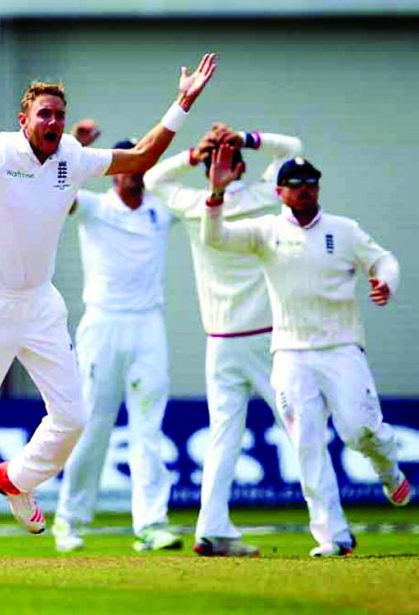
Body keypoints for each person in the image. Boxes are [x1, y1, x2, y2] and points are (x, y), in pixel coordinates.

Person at [0, 48, 217, 559]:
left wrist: (181, 104)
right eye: (45, 114)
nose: (53, 122)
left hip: (40, 306)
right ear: (24, 120)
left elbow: (141, 159)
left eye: (59, 114)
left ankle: (16, 478)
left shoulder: (72, 159)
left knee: (73, 417)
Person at [201, 150, 412, 557]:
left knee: (358, 430)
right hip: (290, 354)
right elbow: (216, 238)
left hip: (341, 347)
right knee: (307, 444)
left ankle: (388, 469)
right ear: (279, 192)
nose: (305, 189)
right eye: (296, 184)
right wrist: (215, 192)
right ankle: (333, 536)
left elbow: (383, 259)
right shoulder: (266, 231)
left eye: (311, 182)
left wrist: (385, 281)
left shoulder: (343, 229)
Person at [144, 124, 342, 556]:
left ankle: (211, 529)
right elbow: (293, 146)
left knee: (224, 437)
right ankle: (332, 532)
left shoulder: (195, 205)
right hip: (269, 341)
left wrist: (197, 154)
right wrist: (244, 137)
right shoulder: (261, 198)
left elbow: (153, 178)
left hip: (223, 341)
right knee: (302, 431)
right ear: (242, 168)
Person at [51, 125, 180, 554]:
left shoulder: (160, 213)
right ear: (112, 173)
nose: (133, 174)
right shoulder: (93, 206)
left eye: (139, 165)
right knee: (91, 424)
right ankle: (69, 520)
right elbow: (56, 193)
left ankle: (151, 524)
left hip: (148, 327)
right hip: (102, 326)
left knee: (148, 429)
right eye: (125, 167)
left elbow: (207, 210)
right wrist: (78, 147)